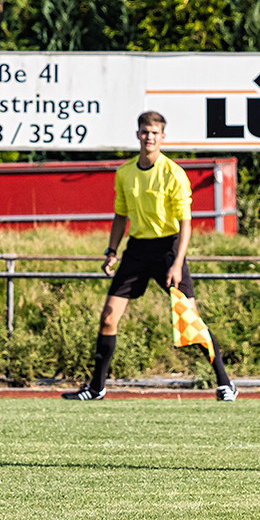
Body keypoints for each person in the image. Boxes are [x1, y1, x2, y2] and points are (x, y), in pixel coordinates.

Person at [64, 110, 236, 402]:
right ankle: (96, 388)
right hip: (137, 250)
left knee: (190, 319)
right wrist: (111, 252)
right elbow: (120, 216)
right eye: (145, 132)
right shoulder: (125, 172)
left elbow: (185, 224)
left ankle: (225, 383)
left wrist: (178, 264)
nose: (149, 137)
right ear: (138, 135)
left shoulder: (173, 173)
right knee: (108, 318)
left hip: (168, 250)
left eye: (155, 133)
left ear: (162, 137)